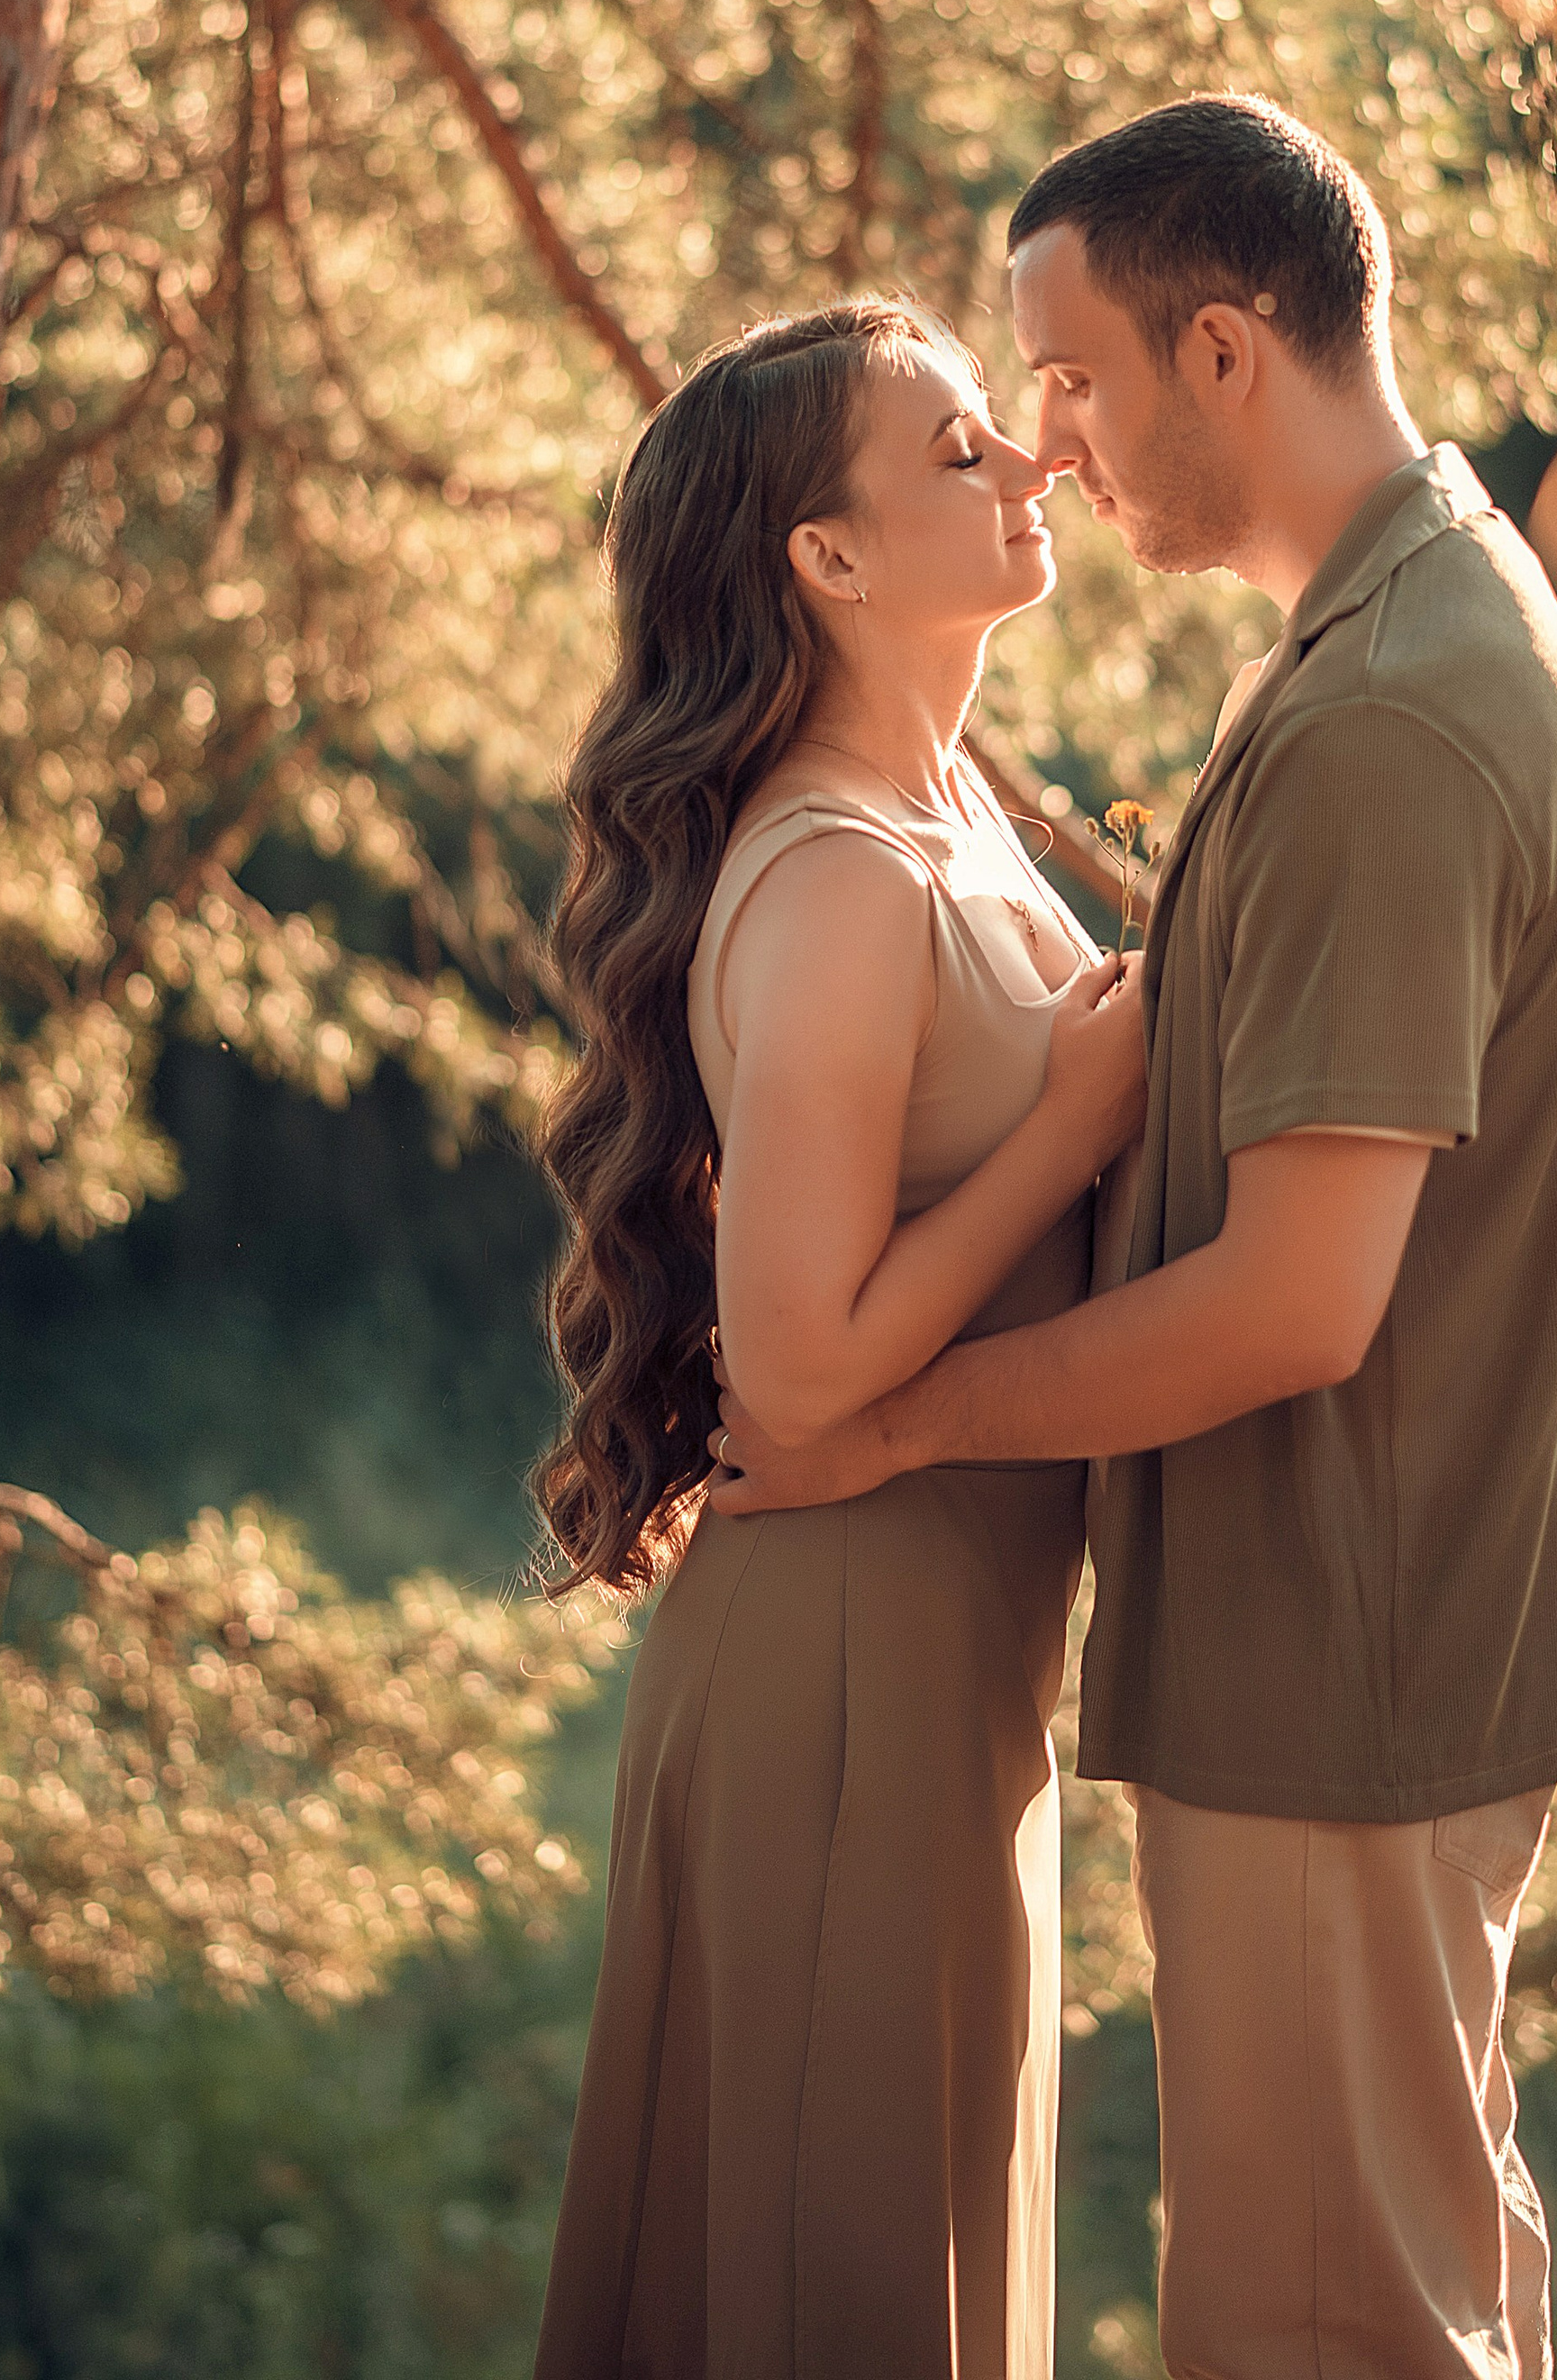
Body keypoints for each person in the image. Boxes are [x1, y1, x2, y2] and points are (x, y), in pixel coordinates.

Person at [716, 98, 1557, 2380]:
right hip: (1363, 1635)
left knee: (1325, 2335)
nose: (1045, 449)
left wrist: (895, 1432)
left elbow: (1296, 1299)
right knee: (1411, 2297)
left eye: (1064, 381)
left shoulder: (1384, 713)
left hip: (1344, 1651)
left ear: (1225, 352)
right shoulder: (1399, 620)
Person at [528, 298, 1146, 2380]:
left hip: (947, 1663)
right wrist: (1067, 1132)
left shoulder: (949, 811)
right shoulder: (837, 875)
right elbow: (791, 1374)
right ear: (829, 557)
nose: (1031, 462)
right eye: (962, 448)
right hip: (847, 1676)